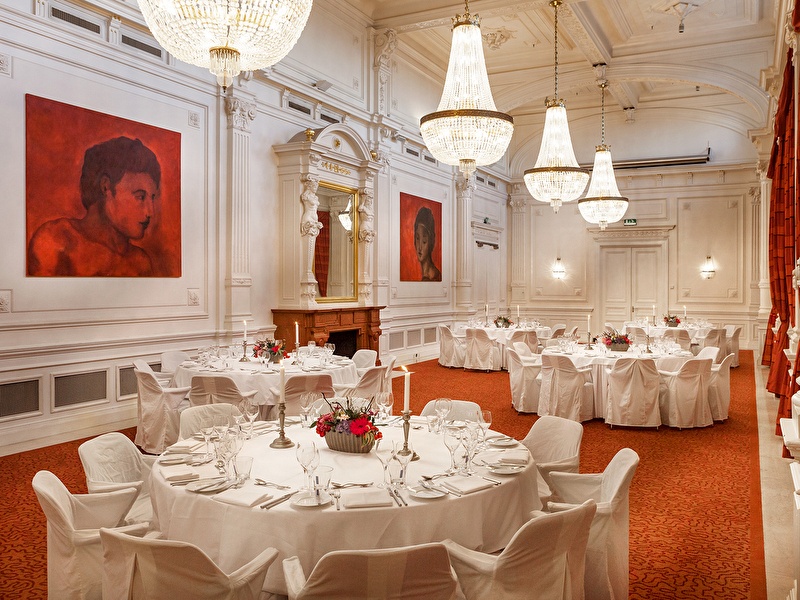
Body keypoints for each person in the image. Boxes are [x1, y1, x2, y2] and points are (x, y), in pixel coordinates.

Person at [27, 136, 161, 276]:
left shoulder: (140, 263)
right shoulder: (56, 241)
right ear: (106, 187)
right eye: (140, 197)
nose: (150, 212)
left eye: (152, 198)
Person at [413, 206, 441, 281]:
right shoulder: (426, 275)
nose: (420, 247)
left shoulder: (433, 277)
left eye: (424, 241)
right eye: (417, 238)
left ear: (431, 242)